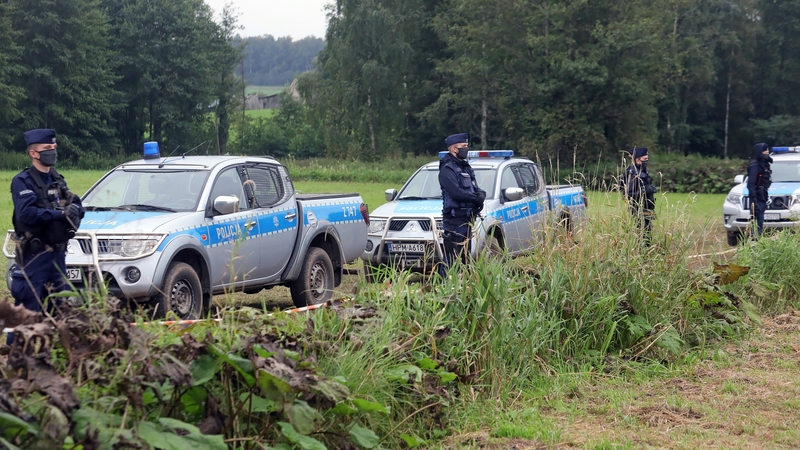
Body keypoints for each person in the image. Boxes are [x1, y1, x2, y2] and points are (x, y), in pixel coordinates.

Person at [7, 129, 84, 345]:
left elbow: (75, 203)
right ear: (34, 153)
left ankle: (52, 357)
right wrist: (58, 213)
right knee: (27, 310)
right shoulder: (23, 181)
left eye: (54, 148)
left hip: (58, 256)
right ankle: (17, 359)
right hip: (35, 256)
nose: (52, 152)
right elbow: (26, 214)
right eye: (47, 149)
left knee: (59, 310)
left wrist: (76, 210)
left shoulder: (57, 179)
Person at [438, 133, 486, 278]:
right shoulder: (447, 169)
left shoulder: (465, 167)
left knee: (465, 259)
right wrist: (475, 198)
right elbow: (456, 193)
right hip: (454, 221)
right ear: (454, 149)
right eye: (463, 146)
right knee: (451, 258)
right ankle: (444, 288)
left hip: (466, 220)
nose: (467, 149)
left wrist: (481, 195)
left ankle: (462, 290)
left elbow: (474, 187)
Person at [623, 147, 657, 244]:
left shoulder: (643, 172)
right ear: (637, 160)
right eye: (645, 159)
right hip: (637, 210)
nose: (647, 161)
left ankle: (646, 254)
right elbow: (628, 194)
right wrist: (645, 190)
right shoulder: (632, 173)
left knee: (647, 235)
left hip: (646, 209)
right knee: (640, 236)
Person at [746, 142, 772, 239]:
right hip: (757, 197)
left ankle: (759, 238)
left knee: (760, 221)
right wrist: (754, 200)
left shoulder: (764, 165)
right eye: (765, 150)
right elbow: (751, 185)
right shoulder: (755, 166)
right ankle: (754, 239)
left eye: (767, 150)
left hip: (763, 195)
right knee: (756, 221)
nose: (767, 152)